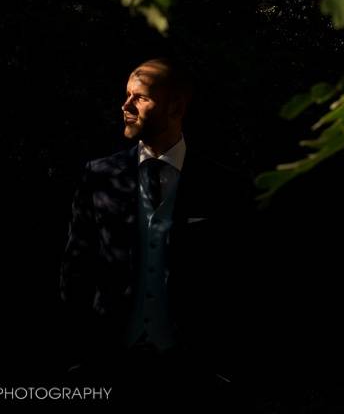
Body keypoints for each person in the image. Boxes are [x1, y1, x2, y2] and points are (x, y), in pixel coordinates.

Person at [59, 57, 249, 408]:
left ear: (175, 106)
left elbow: (238, 277)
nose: (126, 106)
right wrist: (77, 353)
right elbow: (76, 268)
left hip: (192, 367)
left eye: (140, 98)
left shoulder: (222, 184)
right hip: (111, 359)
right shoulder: (100, 175)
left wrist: (226, 364)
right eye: (126, 96)